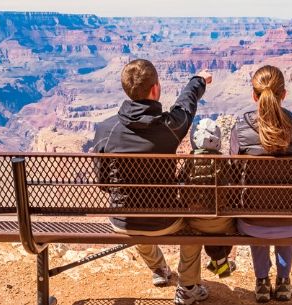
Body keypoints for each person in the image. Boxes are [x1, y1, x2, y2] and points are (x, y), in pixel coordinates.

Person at [91, 59, 231, 305]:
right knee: (194, 224)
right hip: (164, 220)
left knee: (134, 217)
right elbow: (185, 106)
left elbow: (103, 184)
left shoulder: (106, 129)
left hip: (123, 220)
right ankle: (187, 287)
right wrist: (198, 80)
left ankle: (159, 269)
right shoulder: (170, 126)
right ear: (155, 89)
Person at [230, 65, 292, 303]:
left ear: (254, 96)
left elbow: (231, 180)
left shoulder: (240, 132)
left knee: (255, 209)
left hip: (252, 224)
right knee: (286, 208)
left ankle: (261, 282)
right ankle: (283, 281)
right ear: (284, 94)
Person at [183, 118, 236, 278]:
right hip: (223, 222)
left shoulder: (189, 163)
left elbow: (182, 190)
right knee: (221, 223)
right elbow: (233, 194)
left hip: (195, 221)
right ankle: (219, 261)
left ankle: (219, 261)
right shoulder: (224, 163)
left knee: (205, 221)